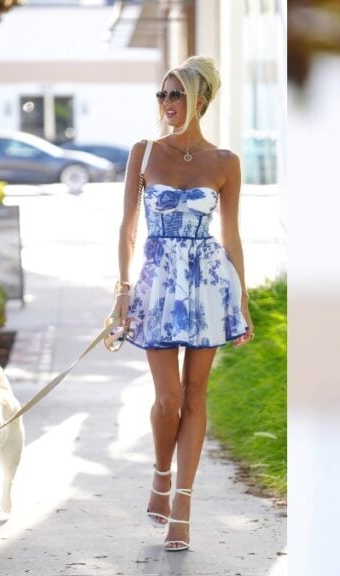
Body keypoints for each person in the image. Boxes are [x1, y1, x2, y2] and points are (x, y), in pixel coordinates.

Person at [111, 55, 254, 552]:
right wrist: (122, 290)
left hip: (209, 286)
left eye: (177, 95)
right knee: (167, 400)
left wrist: (244, 299)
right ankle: (160, 474)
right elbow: (128, 227)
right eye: (163, 94)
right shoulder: (145, 151)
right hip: (156, 286)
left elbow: (232, 238)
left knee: (196, 397)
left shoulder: (226, 162)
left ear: (201, 101)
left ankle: (183, 508)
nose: (167, 103)